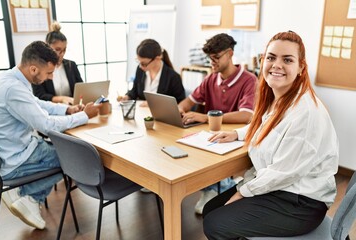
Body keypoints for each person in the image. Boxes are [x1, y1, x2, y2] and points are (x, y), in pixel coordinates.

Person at [202, 31, 339, 239]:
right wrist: (237, 133)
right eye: (271, 57)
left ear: (301, 67)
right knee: (210, 209)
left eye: (287, 60)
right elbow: (271, 126)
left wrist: (242, 192)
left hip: (300, 202)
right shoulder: (281, 98)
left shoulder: (307, 113)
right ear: (262, 60)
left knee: (215, 224)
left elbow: (283, 172)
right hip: (282, 188)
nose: (276, 65)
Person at [0, 41, 101, 230]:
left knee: (66, 152)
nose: (51, 78)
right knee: (74, 158)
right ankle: (28, 195)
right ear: (34, 68)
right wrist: (84, 116)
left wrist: (68, 110)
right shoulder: (13, 89)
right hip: (17, 159)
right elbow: (46, 125)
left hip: (17, 148)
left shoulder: (13, 78)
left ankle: (28, 196)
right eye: (49, 73)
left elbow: (37, 104)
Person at [178, 33, 257, 214]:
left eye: (216, 58)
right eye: (209, 58)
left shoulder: (249, 80)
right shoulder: (211, 79)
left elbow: (246, 115)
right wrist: (180, 109)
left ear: (229, 54)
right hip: (212, 136)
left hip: (235, 138)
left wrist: (207, 118)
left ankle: (220, 186)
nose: (211, 62)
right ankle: (216, 186)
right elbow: (188, 102)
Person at [118, 39, 185, 106]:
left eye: (144, 63)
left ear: (157, 58)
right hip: (142, 113)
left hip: (161, 115)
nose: (141, 66)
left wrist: (154, 104)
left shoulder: (173, 77)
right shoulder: (140, 70)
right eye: (139, 62)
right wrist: (127, 97)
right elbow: (134, 91)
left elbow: (179, 103)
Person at [32, 22, 83, 105]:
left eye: (64, 50)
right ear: (47, 47)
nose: (62, 54)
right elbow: (39, 95)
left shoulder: (71, 65)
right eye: (58, 49)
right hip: (51, 111)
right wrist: (61, 99)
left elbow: (81, 88)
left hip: (73, 108)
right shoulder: (39, 68)